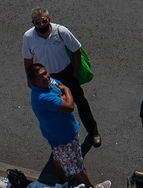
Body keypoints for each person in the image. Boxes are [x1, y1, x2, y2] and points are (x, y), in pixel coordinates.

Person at [22, 8, 100, 147]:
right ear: (33, 23)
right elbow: (28, 60)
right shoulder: (28, 37)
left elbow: (76, 50)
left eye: (44, 21)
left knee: (80, 101)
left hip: (67, 73)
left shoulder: (61, 31)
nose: (41, 24)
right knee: (54, 107)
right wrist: (30, 80)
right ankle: (62, 139)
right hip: (47, 77)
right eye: (37, 22)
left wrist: (75, 72)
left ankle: (93, 131)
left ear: (49, 20)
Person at [27, 64, 110, 188]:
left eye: (45, 73)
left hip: (57, 134)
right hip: (63, 136)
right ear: (32, 81)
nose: (46, 77)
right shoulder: (43, 98)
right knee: (76, 166)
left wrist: (64, 98)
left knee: (58, 156)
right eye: (40, 76)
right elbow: (70, 107)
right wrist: (67, 90)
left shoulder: (49, 82)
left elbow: (61, 91)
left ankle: (63, 181)